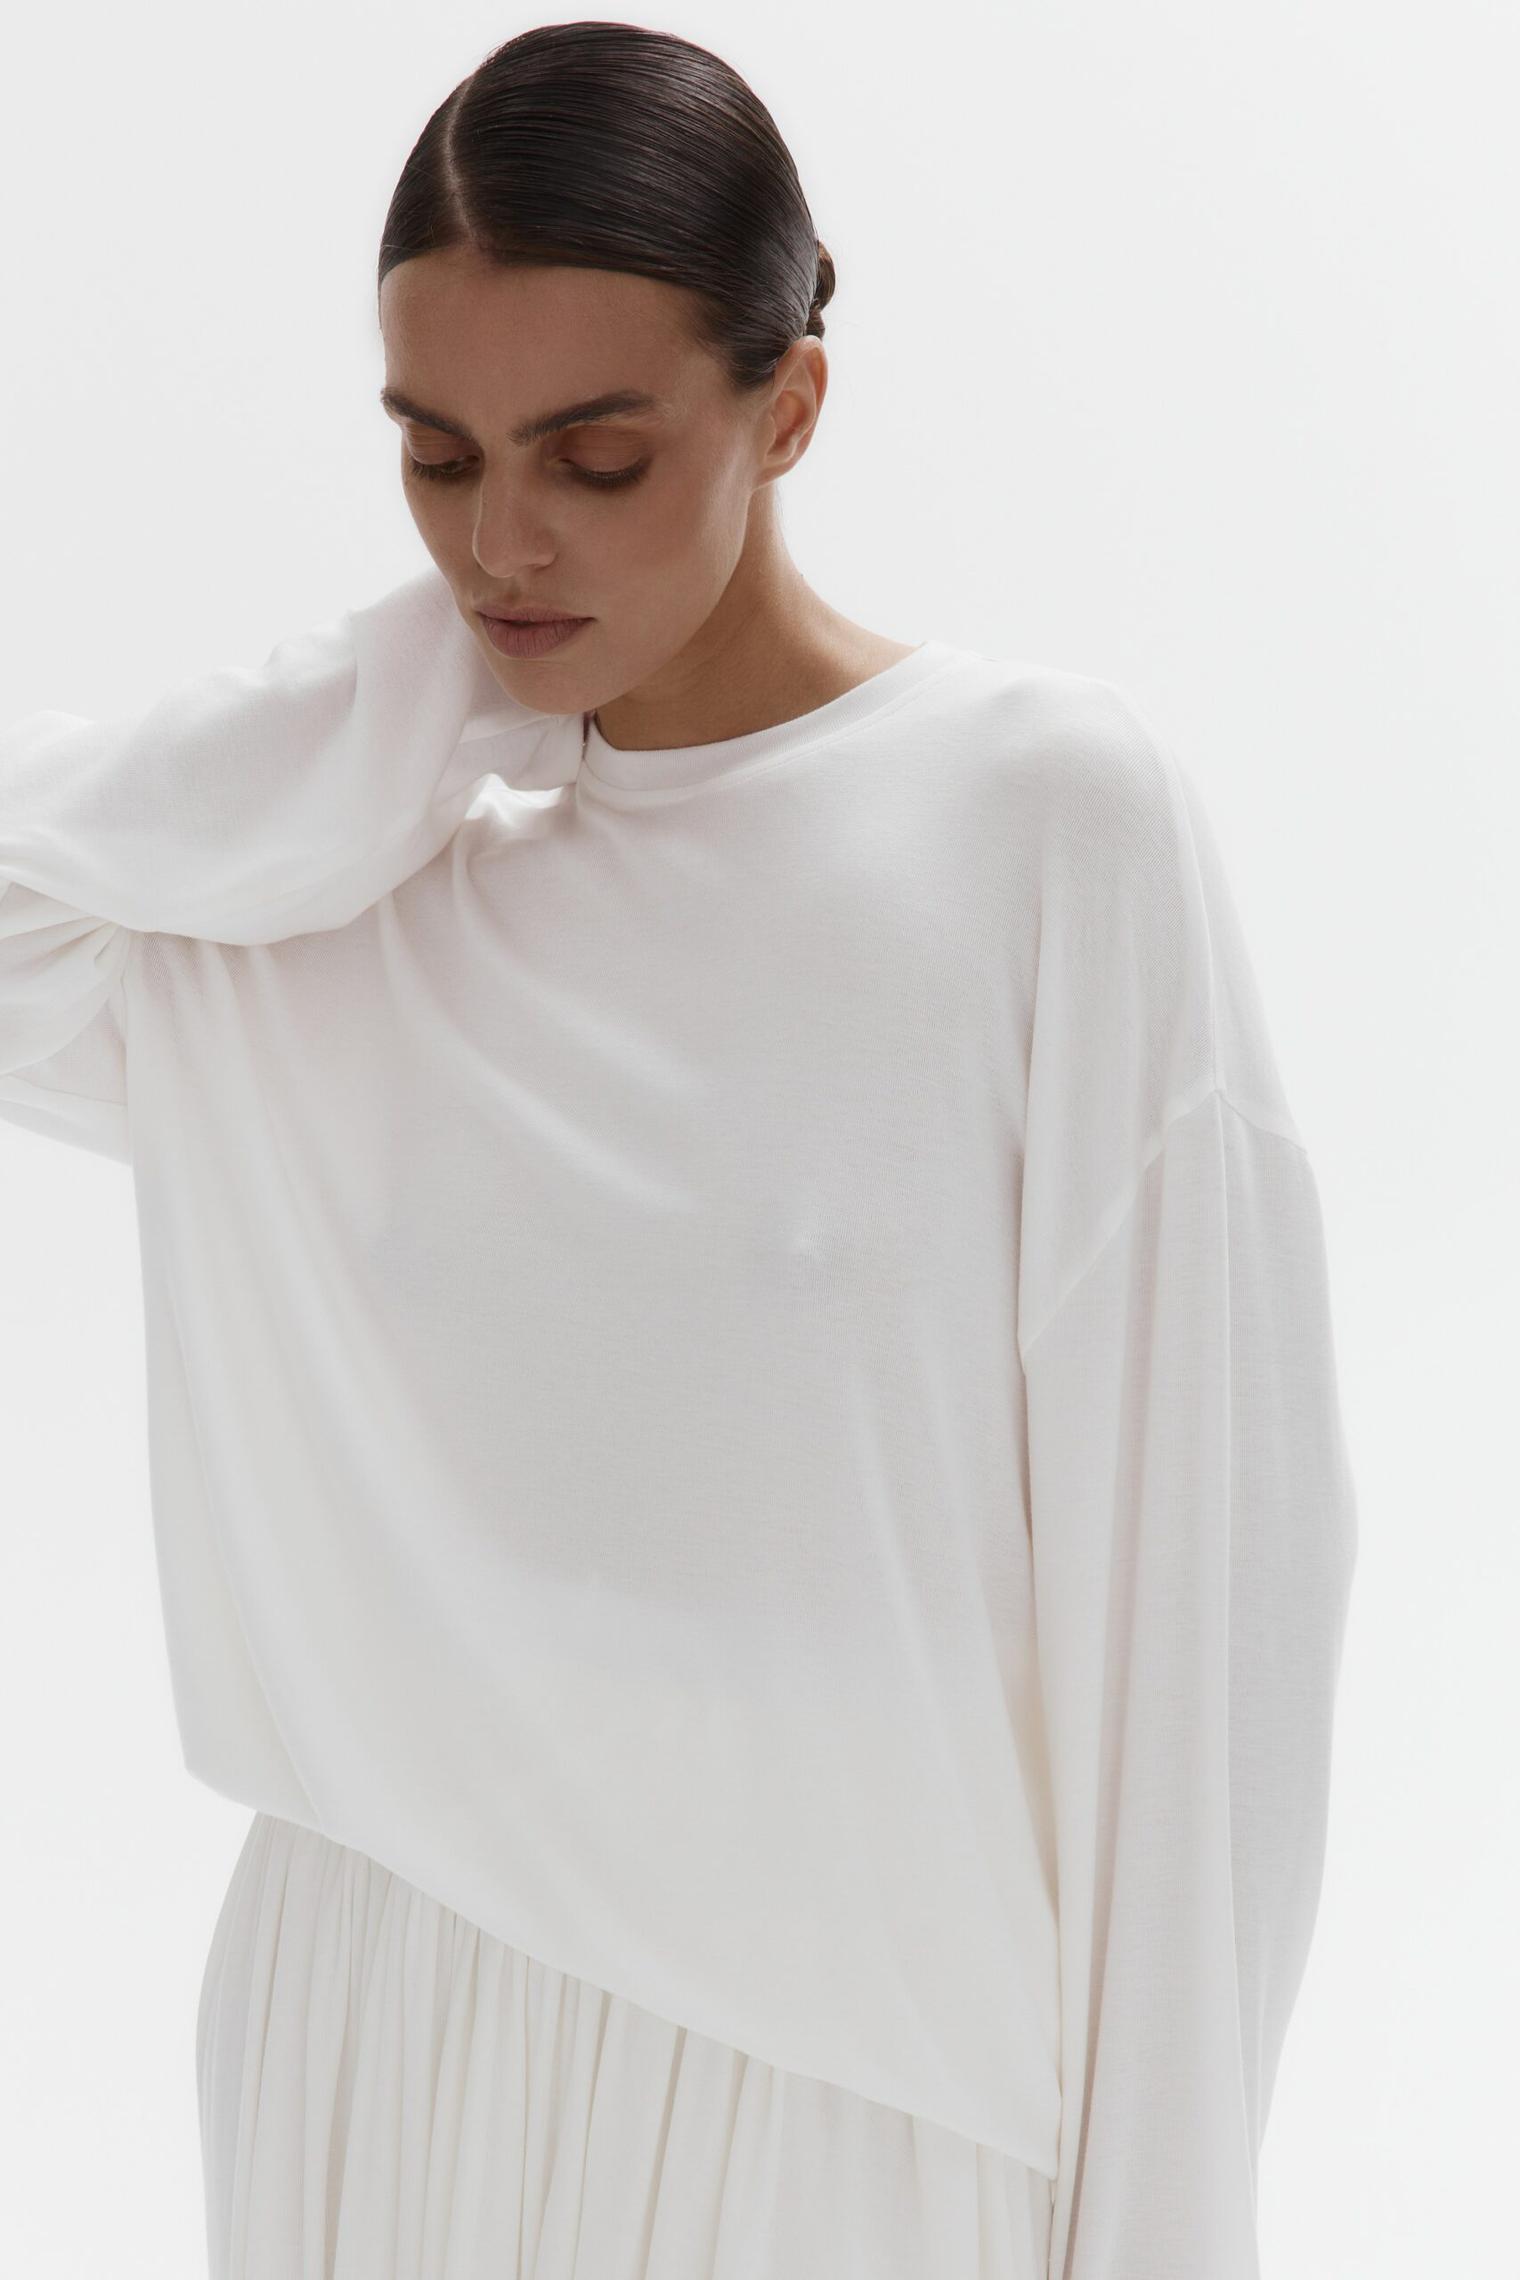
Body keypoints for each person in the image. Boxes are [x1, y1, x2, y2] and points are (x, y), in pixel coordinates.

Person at [0, 20, 1358, 2280]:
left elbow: (1206, 1619)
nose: (500, 540)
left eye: (598, 459)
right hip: (386, 2027)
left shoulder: (1040, 821)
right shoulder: (367, 916)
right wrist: (425, 691)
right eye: (436, 456)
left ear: (788, 406)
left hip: (846, 2095)